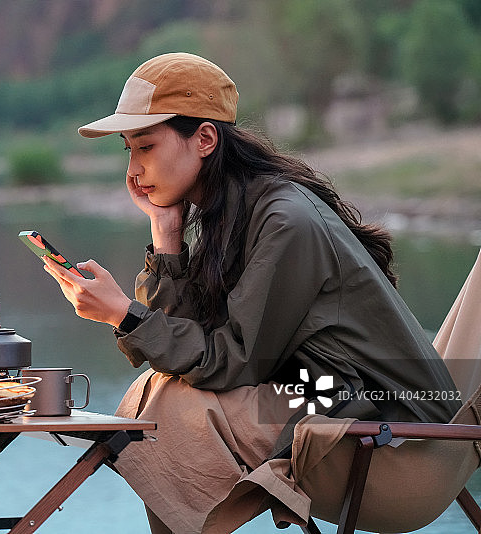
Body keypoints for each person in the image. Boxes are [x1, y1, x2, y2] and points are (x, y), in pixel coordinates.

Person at [42, 52, 460, 533]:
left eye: (147, 147)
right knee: (162, 394)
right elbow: (189, 347)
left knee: (171, 408)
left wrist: (126, 316)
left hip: (401, 449)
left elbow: (231, 361)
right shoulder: (233, 211)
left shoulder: (284, 221)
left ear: (205, 139)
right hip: (338, 413)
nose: (134, 170)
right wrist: (165, 233)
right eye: (128, 150)